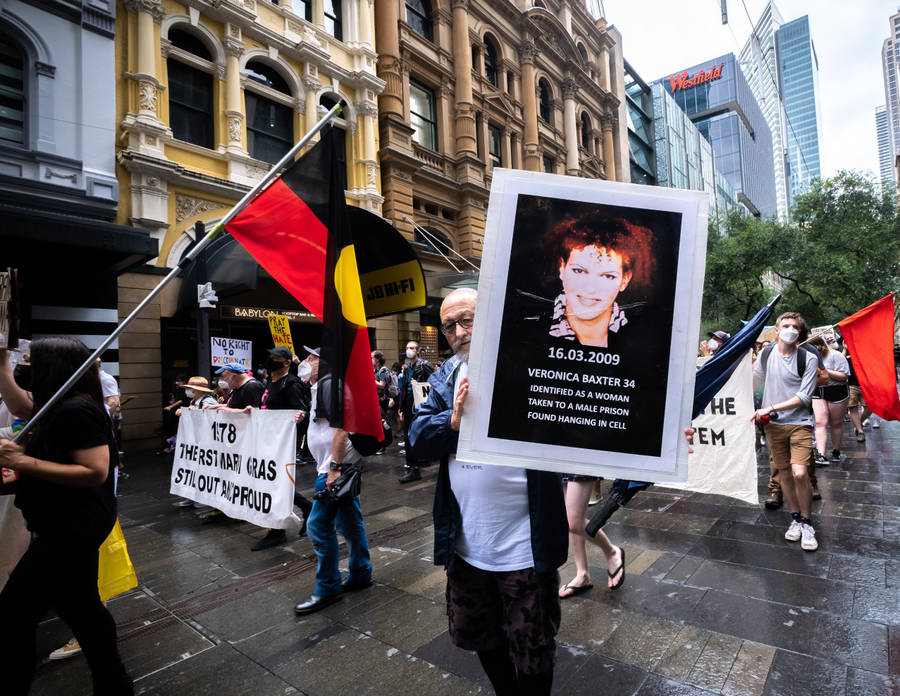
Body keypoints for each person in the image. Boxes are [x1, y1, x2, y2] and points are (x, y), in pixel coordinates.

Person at [409, 288, 567, 695]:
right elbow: (416, 440)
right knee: (483, 637)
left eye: (468, 319)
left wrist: (659, 443)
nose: (459, 332)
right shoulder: (446, 376)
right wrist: (452, 423)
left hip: (525, 548)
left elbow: (595, 420)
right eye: (449, 326)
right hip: (467, 547)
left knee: (533, 646)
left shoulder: (534, 364)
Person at [0, 337, 133, 695]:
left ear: (52, 368)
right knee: (82, 609)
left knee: (13, 615)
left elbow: (95, 470)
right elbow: (22, 405)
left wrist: (21, 461)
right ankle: (115, 685)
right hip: (65, 523)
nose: (23, 365)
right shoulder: (57, 405)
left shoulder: (77, 410)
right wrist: (1, 364)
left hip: (70, 528)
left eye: (29, 360)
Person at [293, 347, 373, 615]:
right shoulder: (323, 386)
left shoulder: (330, 384)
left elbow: (341, 427)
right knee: (349, 522)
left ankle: (328, 588)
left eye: (312, 357)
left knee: (317, 526)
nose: (306, 361)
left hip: (334, 467)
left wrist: (334, 468)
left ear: (325, 362)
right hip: (336, 464)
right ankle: (361, 573)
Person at [752, 312, 819, 551]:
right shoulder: (765, 355)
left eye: (795, 326)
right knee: (784, 475)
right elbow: (754, 382)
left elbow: (804, 397)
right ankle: (796, 519)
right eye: (786, 325)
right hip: (773, 426)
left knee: (800, 473)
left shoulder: (808, 358)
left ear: (800, 332)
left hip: (800, 423)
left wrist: (770, 407)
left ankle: (808, 523)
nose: (790, 329)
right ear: (777, 329)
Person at [252, 347, 313, 551]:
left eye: (275, 358)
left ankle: (277, 531)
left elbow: (302, 410)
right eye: (270, 357)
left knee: (274, 485)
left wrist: (300, 416)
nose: (271, 361)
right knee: (275, 484)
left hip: (281, 443)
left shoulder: (291, 384)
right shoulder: (270, 383)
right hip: (267, 439)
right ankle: (307, 507)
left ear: (287, 362)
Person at [808, 336, 850, 464]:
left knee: (835, 423)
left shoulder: (835, 355)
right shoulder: (808, 357)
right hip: (818, 390)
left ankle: (836, 450)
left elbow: (844, 376)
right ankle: (821, 454)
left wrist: (825, 371)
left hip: (837, 390)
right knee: (820, 422)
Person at [397, 340, 434, 483]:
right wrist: (401, 407)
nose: (409, 350)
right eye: (407, 348)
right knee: (408, 434)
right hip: (408, 402)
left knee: (419, 432)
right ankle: (413, 467)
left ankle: (419, 462)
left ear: (418, 350)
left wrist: (419, 385)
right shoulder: (407, 368)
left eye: (412, 348)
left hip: (419, 403)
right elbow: (403, 389)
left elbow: (434, 382)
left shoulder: (424, 365)